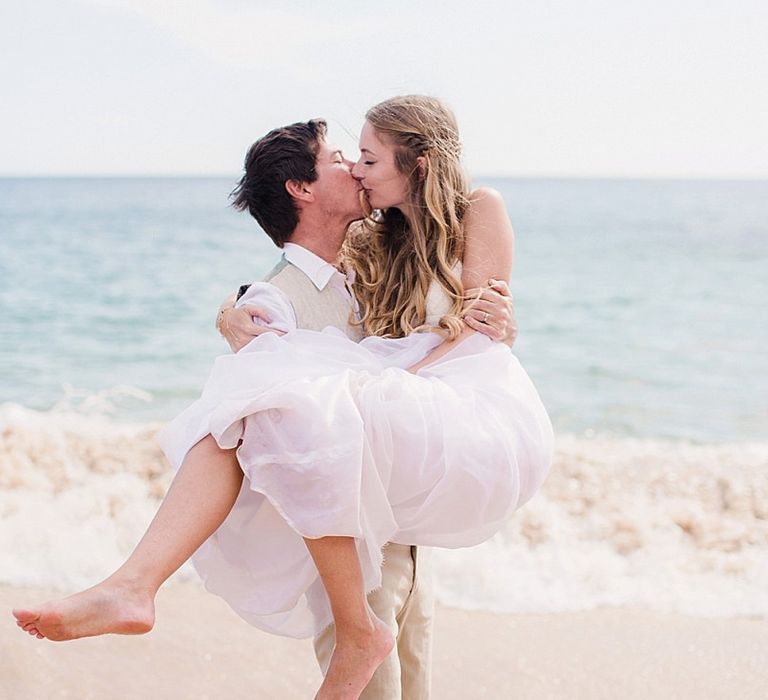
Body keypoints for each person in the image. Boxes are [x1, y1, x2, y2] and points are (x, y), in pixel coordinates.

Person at [14, 96, 552, 700]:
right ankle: (142, 585)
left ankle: (139, 584)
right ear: (303, 187)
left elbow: (482, 329)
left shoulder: (438, 221)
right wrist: (230, 315)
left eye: (367, 158)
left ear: (418, 164)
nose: (355, 169)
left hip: (430, 446)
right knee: (379, 659)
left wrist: (500, 325)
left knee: (414, 643)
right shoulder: (342, 254)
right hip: (364, 491)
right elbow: (277, 293)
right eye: (347, 158)